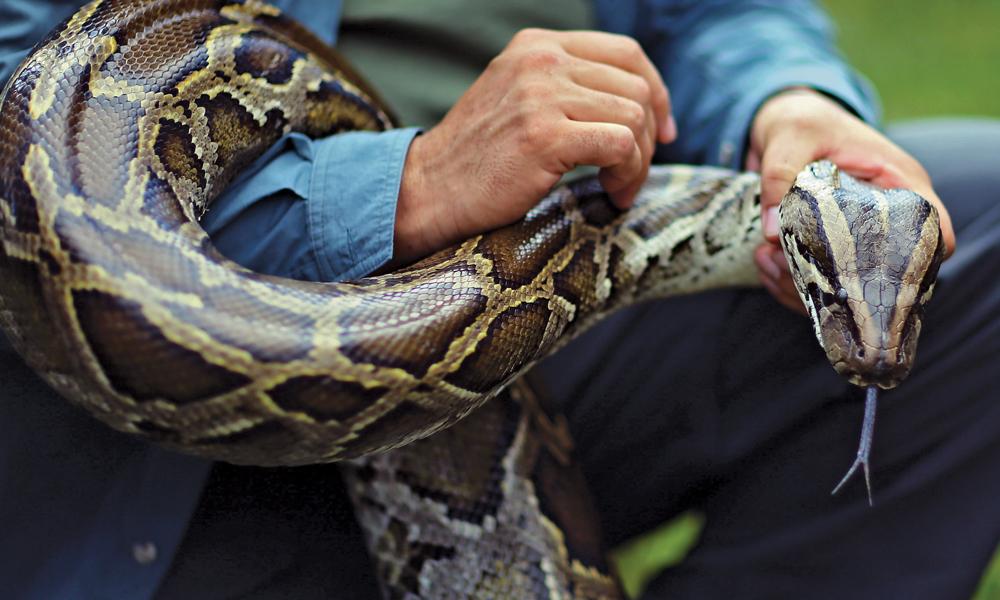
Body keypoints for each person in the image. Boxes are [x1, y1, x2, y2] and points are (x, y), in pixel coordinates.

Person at [1, 1, 997, 598]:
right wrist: (411, 185)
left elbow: (717, 14)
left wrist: (787, 100)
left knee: (985, 211)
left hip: (546, 276)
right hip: (161, 431)